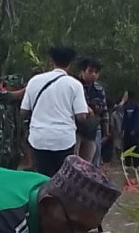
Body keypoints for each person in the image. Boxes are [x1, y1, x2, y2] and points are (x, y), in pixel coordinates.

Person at [21, 46, 89, 178]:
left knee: (43, 178)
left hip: (39, 138)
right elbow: (81, 116)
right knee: (63, 179)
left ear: (51, 61)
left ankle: (43, 198)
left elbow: (24, 110)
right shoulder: (75, 85)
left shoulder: (34, 81)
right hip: (64, 139)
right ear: (71, 63)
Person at [76, 58, 108, 167]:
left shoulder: (99, 89)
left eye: (96, 72)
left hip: (93, 128)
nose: (93, 75)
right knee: (74, 160)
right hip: (76, 128)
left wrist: (106, 131)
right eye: (90, 71)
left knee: (93, 162)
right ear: (82, 71)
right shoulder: (74, 85)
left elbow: (104, 110)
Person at [121, 93, 139, 169]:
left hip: (135, 131)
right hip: (127, 131)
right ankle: (127, 163)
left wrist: (135, 129)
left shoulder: (138, 107)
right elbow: (124, 119)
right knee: (127, 147)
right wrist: (123, 129)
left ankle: (137, 164)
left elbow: (138, 120)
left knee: (136, 148)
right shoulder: (127, 107)